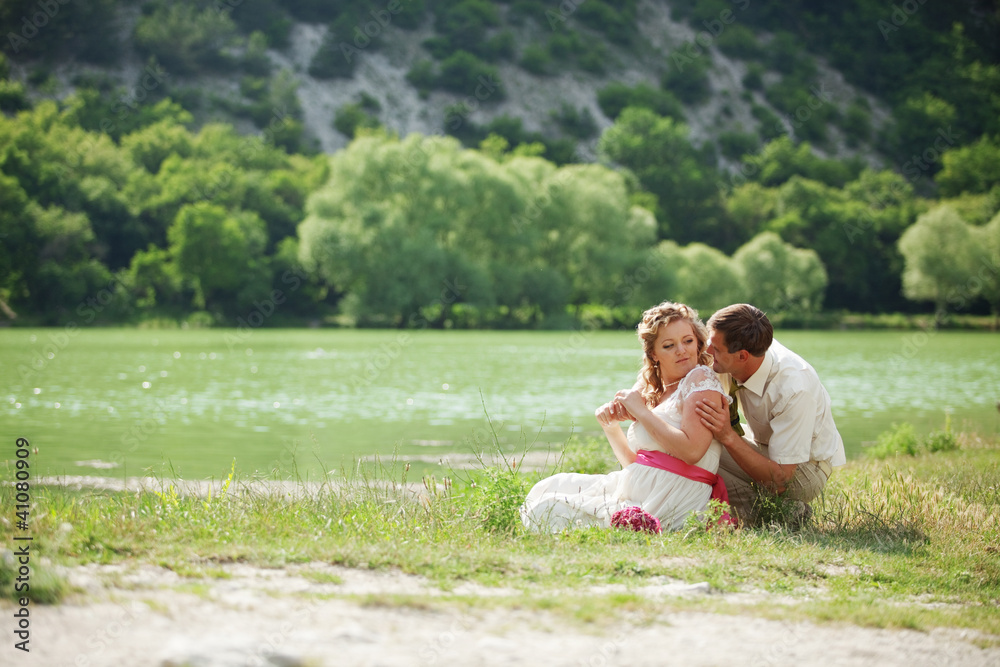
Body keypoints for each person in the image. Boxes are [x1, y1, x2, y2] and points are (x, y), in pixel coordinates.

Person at [520, 302, 733, 533]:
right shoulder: (660, 388)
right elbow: (635, 464)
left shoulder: (700, 380)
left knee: (544, 510)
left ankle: (628, 522)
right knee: (548, 487)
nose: (682, 350)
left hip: (672, 498)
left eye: (688, 341)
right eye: (669, 345)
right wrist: (610, 427)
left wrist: (640, 411)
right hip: (637, 488)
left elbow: (693, 452)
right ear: (654, 353)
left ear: (699, 343)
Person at [694, 303, 846, 525]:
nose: (707, 352)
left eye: (715, 349)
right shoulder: (744, 343)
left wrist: (727, 435)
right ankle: (777, 510)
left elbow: (781, 479)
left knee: (703, 444)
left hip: (803, 470)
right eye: (709, 342)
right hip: (768, 444)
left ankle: (770, 514)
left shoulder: (794, 388)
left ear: (743, 356)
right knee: (699, 431)